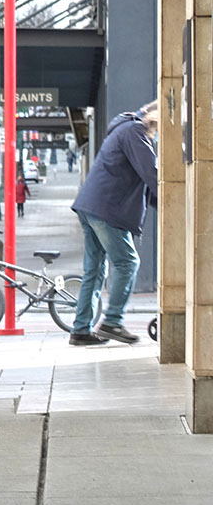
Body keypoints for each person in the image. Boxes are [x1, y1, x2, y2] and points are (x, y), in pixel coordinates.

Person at [68, 100, 159, 346]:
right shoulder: (135, 131)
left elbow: (146, 183)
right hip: (107, 207)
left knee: (95, 270)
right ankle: (112, 322)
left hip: (91, 205)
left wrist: (163, 205)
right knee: (128, 262)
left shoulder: (125, 128)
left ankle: (80, 329)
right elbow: (152, 174)